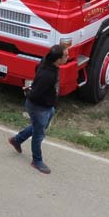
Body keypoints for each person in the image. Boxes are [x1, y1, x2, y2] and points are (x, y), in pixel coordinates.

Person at [8, 44, 69, 174]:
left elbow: (37, 69)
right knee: (39, 134)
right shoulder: (48, 76)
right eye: (65, 55)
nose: (68, 57)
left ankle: (17, 140)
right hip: (39, 107)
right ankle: (37, 161)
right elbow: (34, 94)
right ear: (58, 59)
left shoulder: (47, 62)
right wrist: (29, 91)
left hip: (47, 106)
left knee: (39, 127)